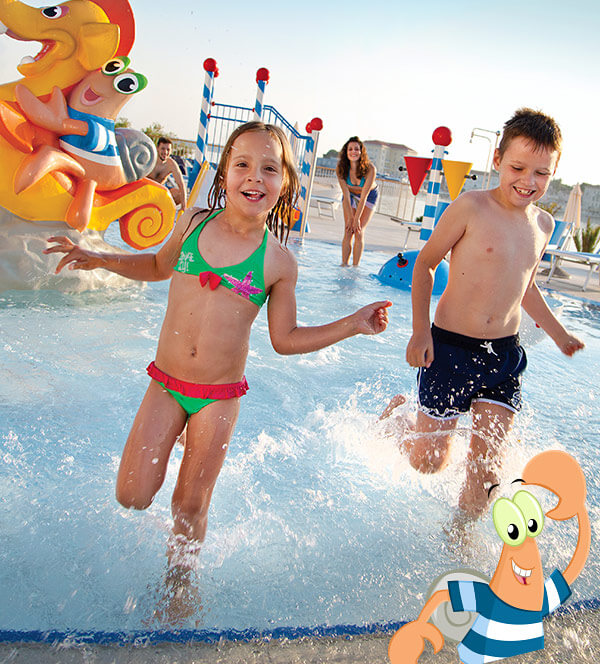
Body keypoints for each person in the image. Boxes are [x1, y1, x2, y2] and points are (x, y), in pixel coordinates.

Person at [45, 121, 391, 612]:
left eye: (269, 168)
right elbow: (155, 268)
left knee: (189, 505)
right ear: (225, 172)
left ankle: (179, 583)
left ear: (284, 183)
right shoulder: (193, 224)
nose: (255, 176)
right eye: (243, 164)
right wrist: (100, 256)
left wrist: (352, 323)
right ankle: (174, 435)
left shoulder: (278, 262)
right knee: (132, 496)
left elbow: (285, 340)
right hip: (166, 384)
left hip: (218, 398)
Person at [382, 108, 584, 520]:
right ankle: (398, 419)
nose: (528, 181)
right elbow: (425, 265)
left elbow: (526, 287)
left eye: (542, 173)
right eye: (518, 167)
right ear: (497, 160)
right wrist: (421, 332)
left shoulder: (543, 224)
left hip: (504, 356)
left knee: (485, 468)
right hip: (449, 349)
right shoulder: (470, 207)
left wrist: (560, 334)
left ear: (555, 172)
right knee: (429, 463)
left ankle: (460, 544)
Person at [336, 137, 378, 266]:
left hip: (369, 196)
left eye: (356, 149)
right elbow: (346, 195)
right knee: (348, 230)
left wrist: (356, 219)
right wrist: (350, 219)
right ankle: (344, 265)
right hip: (350, 197)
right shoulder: (341, 169)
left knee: (359, 231)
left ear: (361, 152)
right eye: (350, 149)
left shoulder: (370, 169)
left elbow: (364, 196)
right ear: (346, 152)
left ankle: (355, 267)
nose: (353, 152)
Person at [148, 136, 187, 208]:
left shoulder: (171, 164)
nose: (165, 152)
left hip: (158, 193)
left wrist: (184, 208)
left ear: (171, 151)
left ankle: (162, 210)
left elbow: (181, 185)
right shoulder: (150, 160)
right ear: (157, 148)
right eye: (162, 149)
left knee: (178, 194)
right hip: (144, 191)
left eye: (168, 149)